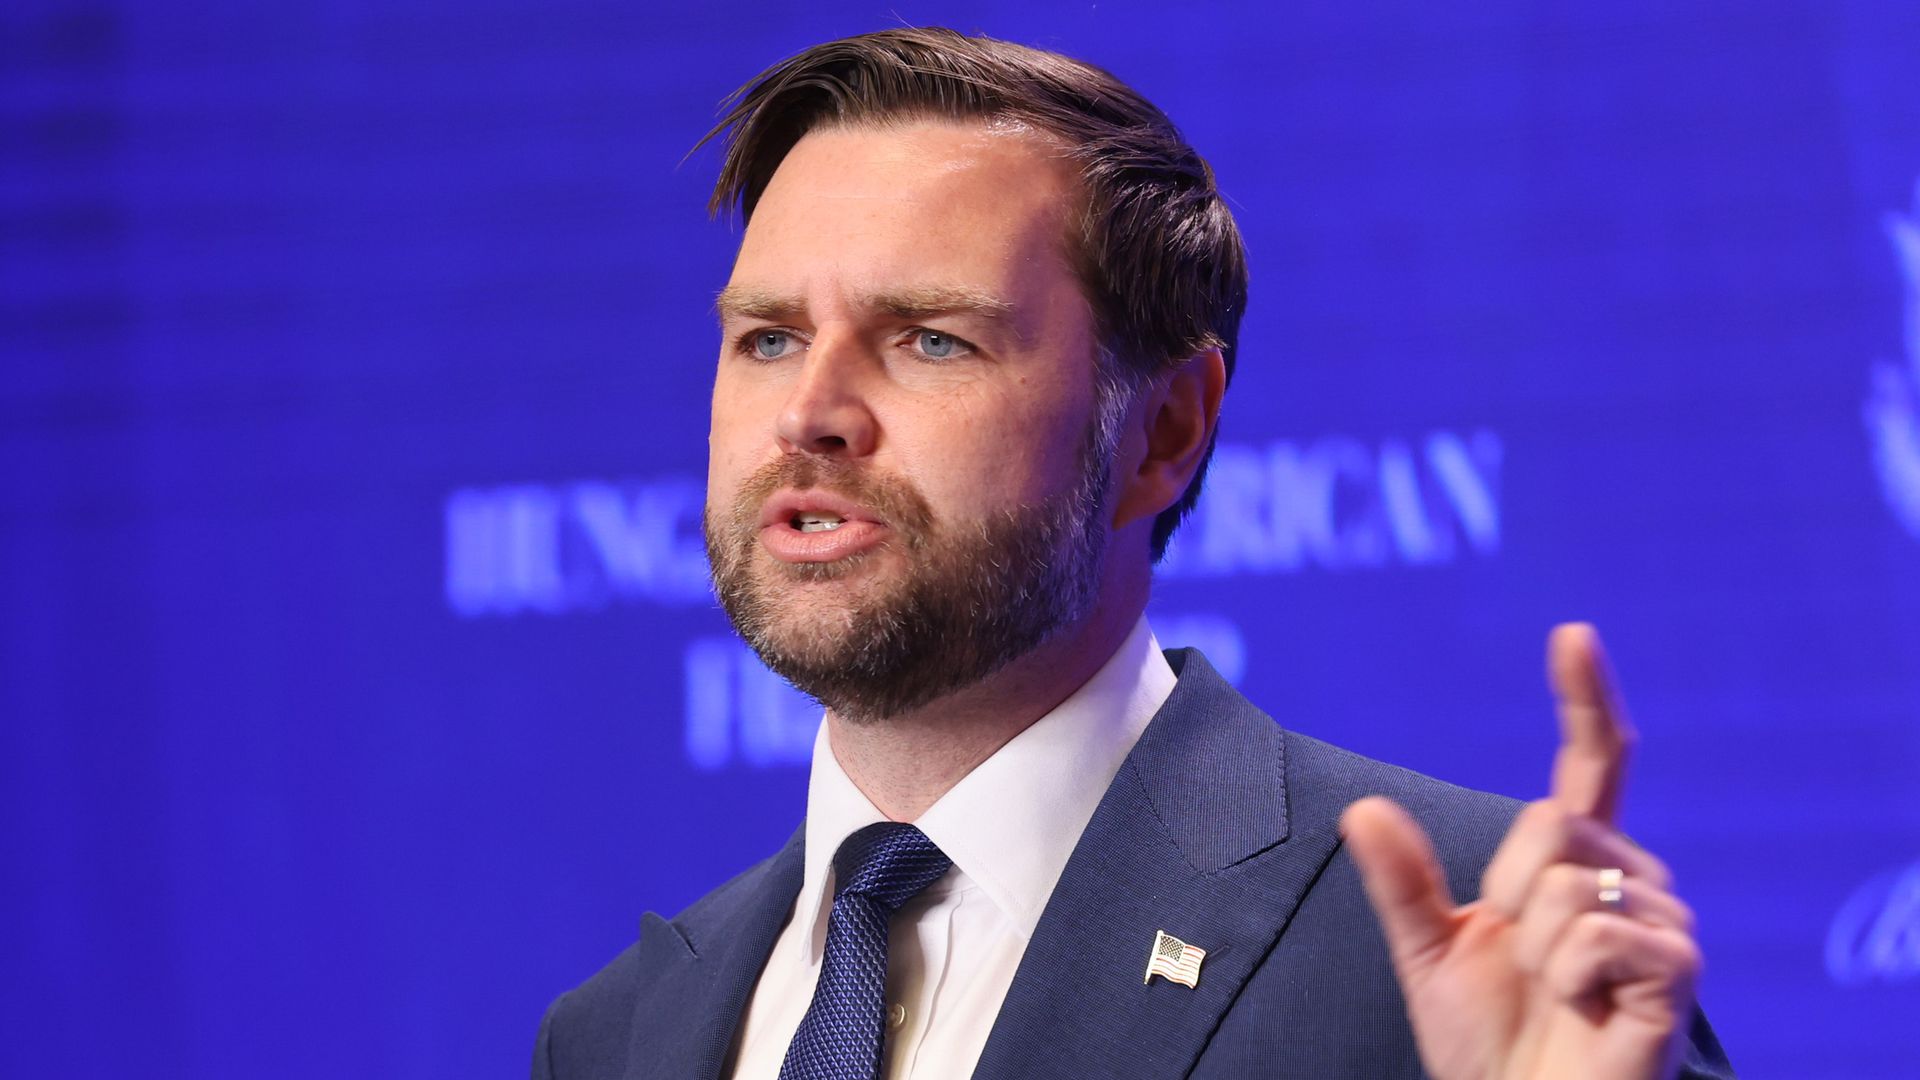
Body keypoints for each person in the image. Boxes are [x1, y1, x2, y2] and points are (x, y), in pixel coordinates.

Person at [533, 28, 1735, 1080]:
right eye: (770, 337)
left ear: (1164, 430)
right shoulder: (615, 1035)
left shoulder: (1465, 942)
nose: (811, 412)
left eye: (932, 341)